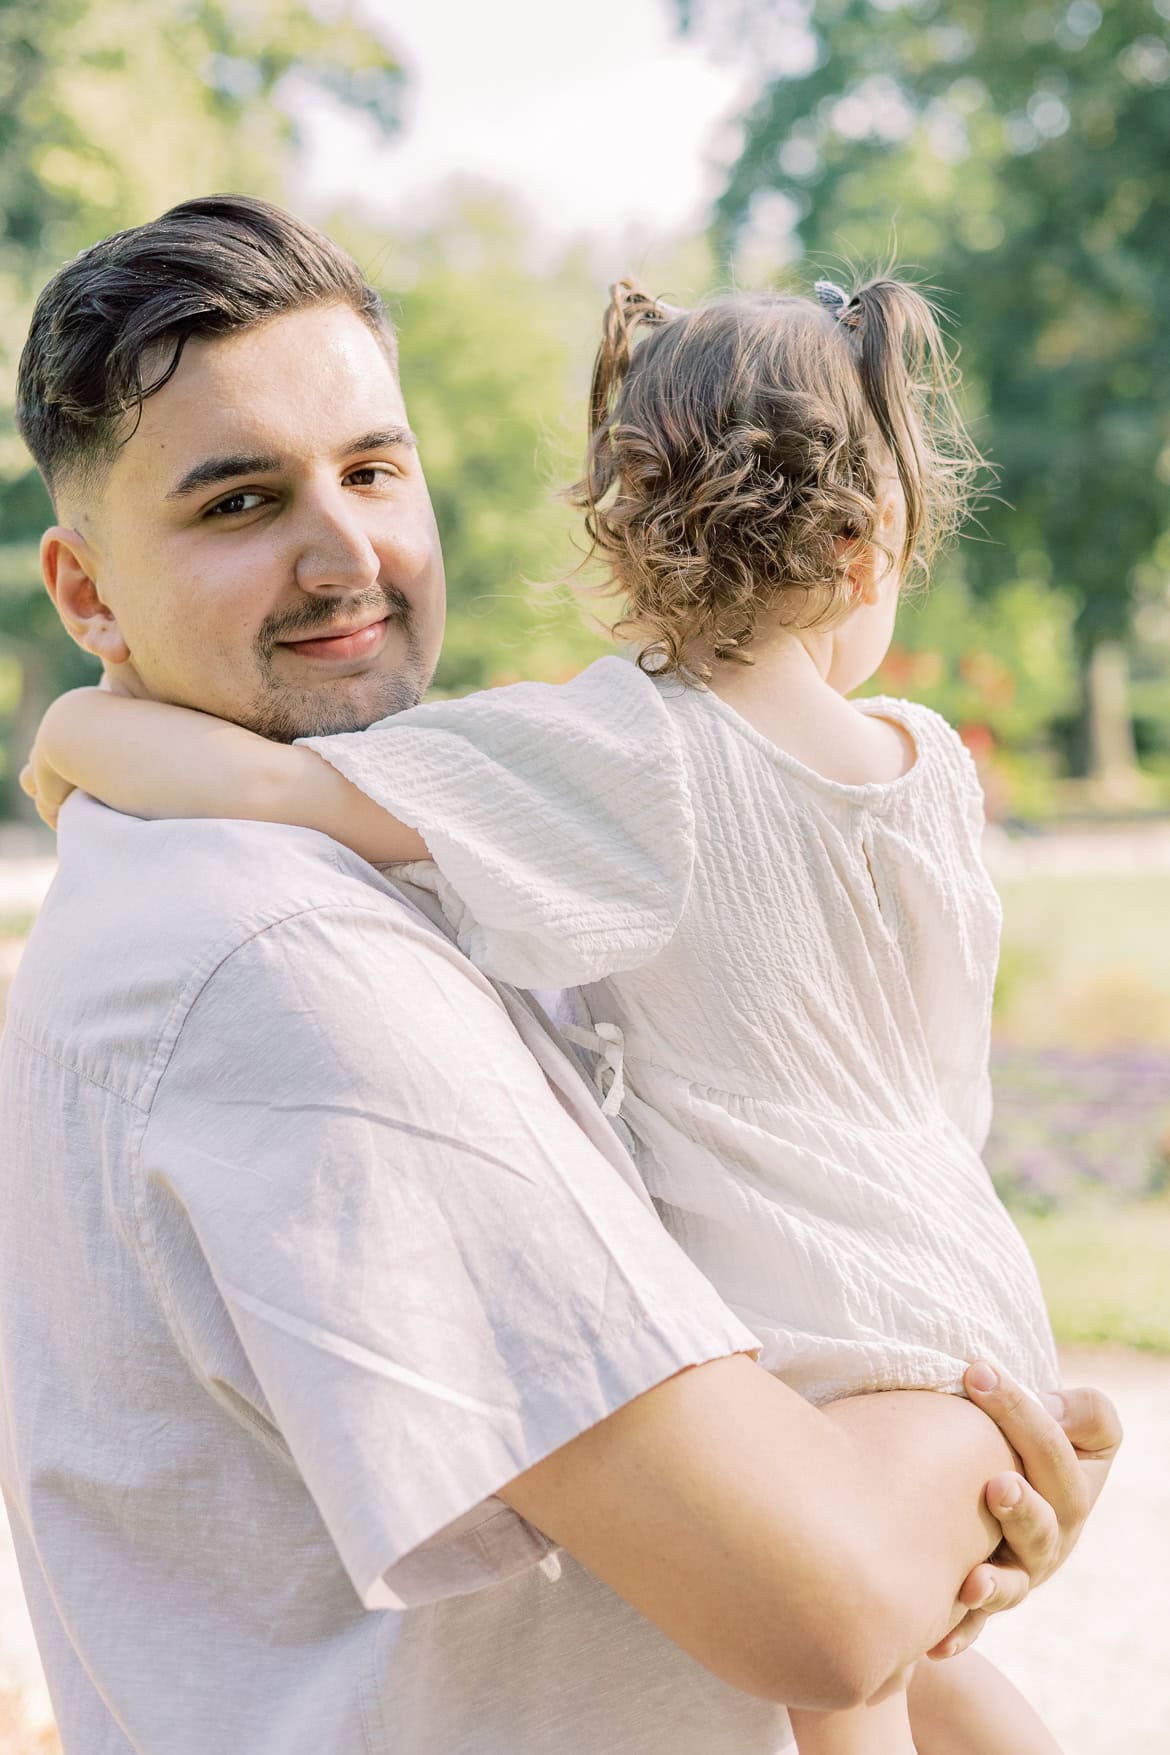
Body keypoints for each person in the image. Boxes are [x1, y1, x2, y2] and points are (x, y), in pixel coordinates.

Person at [3, 196, 1121, 1755]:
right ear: (86, 593)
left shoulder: (316, 867)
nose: (345, 555)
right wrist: (917, 1520)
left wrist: (68, 741)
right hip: (929, 1320)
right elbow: (823, 1608)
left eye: (375, 471)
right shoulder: (287, 964)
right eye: (241, 503)